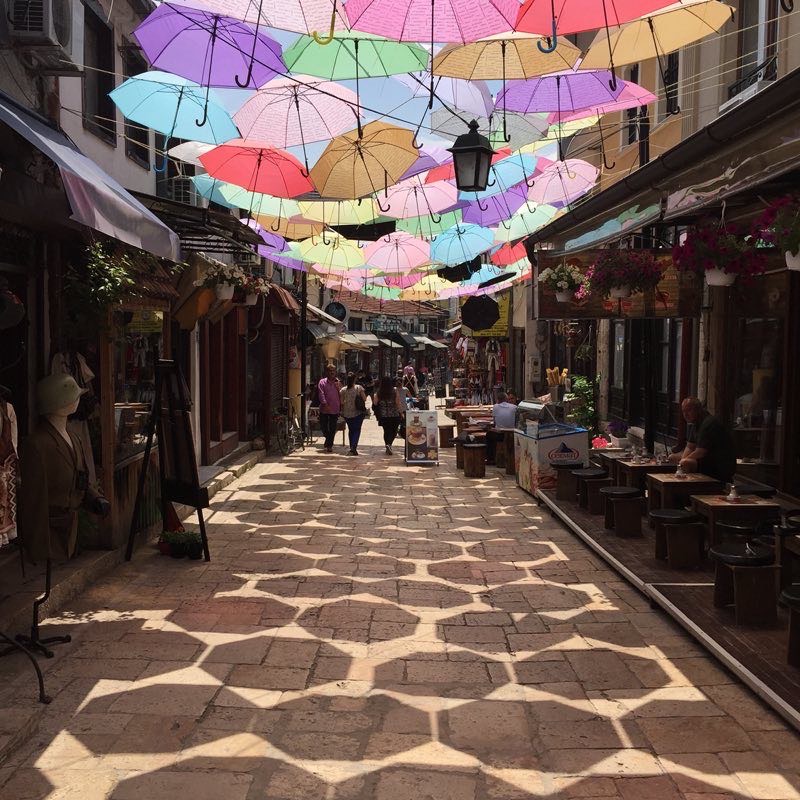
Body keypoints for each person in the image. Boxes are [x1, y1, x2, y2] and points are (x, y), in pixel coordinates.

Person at [670, 396, 736, 483]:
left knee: (685, 463)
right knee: (672, 457)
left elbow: (700, 452)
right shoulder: (695, 423)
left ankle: (684, 491)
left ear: (698, 410)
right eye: (684, 411)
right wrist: (681, 462)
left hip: (718, 465)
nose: (685, 414)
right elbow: (689, 447)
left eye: (689, 410)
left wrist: (683, 462)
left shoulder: (709, 423)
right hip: (705, 461)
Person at [373, 376, 404, 455]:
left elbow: (375, 403)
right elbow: (398, 403)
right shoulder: (394, 391)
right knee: (394, 431)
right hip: (394, 414)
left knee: (386, 431)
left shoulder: (379, 392)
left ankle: (387, 444)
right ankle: (389, 444)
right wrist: (401, 412)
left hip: (383, 415)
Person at [486, 391, 518, 464]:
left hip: (500, 435)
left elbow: (494, 422)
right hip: (513, 434)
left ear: (497, 400)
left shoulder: (495, 407)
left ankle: (490, 458)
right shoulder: (515, 407)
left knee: (488, 435)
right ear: (506, 399)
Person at [340, 372, 367, 456]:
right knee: (357, 430)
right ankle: (353, 447)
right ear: (355, 379)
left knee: (351, 430)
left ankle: (352, 446)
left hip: (347, 413)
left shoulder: (343, 390)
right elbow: (365, 399)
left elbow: (341, 402)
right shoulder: (359, 388)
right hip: (358, 413)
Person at [317, 363, 341, 453]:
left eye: (333, 371)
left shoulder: (338, 382)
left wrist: (339, 387)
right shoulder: (322, 382)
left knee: (332, 427)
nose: (332, 372)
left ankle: (329, 445)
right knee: (323, 427)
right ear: (326, 372)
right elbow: (321, 393)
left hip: (335, 409)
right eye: (330, 371)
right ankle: (328, 439)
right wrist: (325, 404)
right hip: (324, 408)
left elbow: (341, 394)